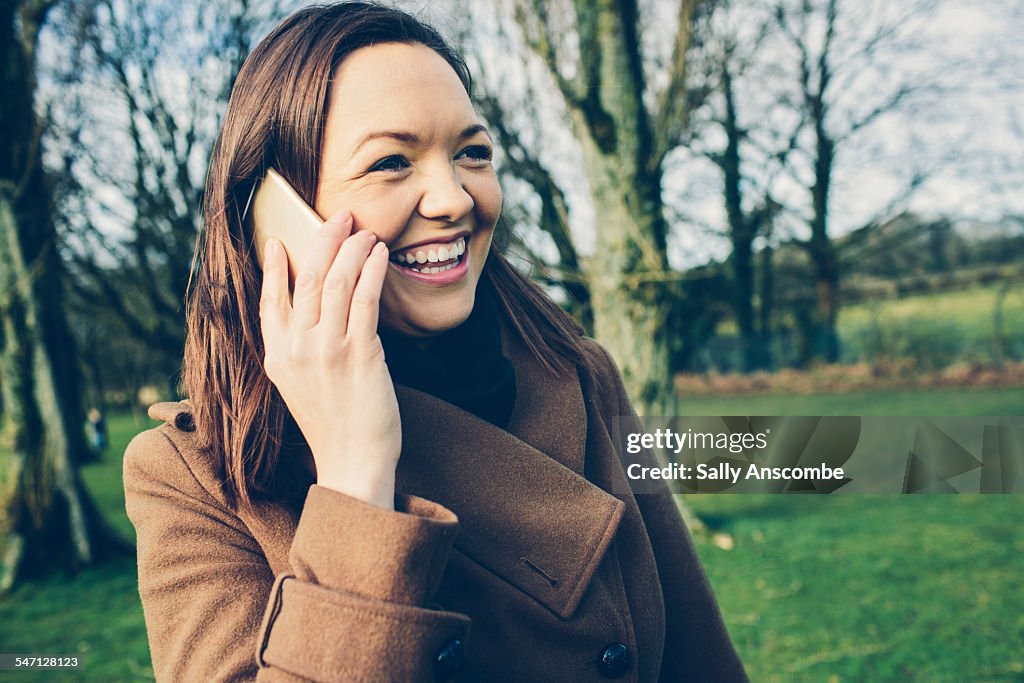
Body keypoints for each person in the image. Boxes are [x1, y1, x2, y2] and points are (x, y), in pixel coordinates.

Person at [123, 3, 748, 681]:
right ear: (277, 218)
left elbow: (702, 661)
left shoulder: (576, 372)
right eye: (392, 162)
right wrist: (356, 479)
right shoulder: (189, 475)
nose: (453, 197)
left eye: (471, 152)